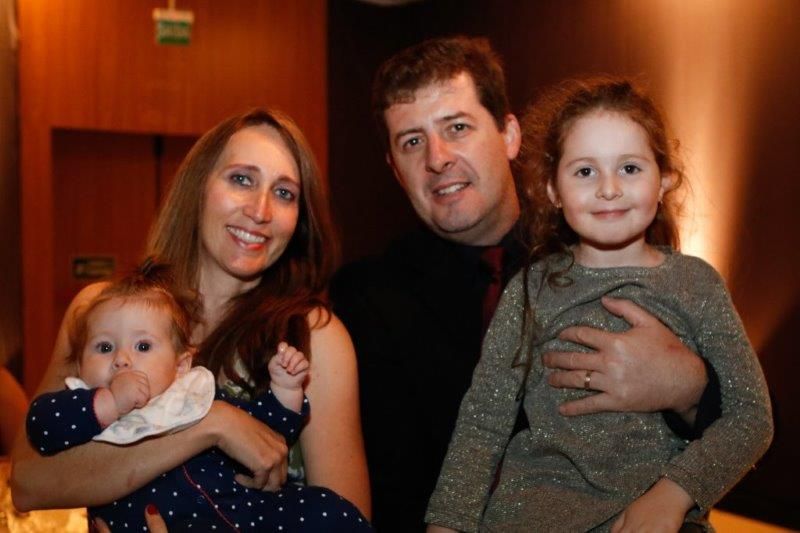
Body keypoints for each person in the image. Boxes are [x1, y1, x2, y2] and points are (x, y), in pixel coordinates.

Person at [330, 36, 720, 532]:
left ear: (509, 135)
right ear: (394, 169)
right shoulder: (366, 299)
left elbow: (752, 420)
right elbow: (390, 484)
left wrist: (687, 386)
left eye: (457, 127)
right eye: (411, 141)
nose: (437, 158)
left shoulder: (612, 248)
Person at [425, 76, 773, 532]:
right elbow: (482, 422)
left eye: (629, 168)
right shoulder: (530, 288)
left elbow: (751, 417)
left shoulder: (696, 283)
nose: (609, 188)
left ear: (664, 179)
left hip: (658, 516)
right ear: (552, 190)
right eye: (585, 171)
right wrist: (447, 523)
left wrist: (673, 495)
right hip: (531, 516)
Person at [11, 108, 371, 523]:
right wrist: (210, 425)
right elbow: (28, 481)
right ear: (198, 186)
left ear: (299, 221)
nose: (261, 210)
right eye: (242, 179)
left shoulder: (315, 337)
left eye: (284, 193)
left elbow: (347, 520)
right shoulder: (102, 314)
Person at [26, 261, 371, 531]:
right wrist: (109, 403)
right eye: (104, 348)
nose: (122, 359)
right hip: (166, 523)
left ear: (180, 365)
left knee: (331, 511)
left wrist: (286, 391)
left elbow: (264, 438)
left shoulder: (192, 396)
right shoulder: (81, 403)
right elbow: (42, 427)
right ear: (80, 365)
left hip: (242, 512)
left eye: (143, 346)